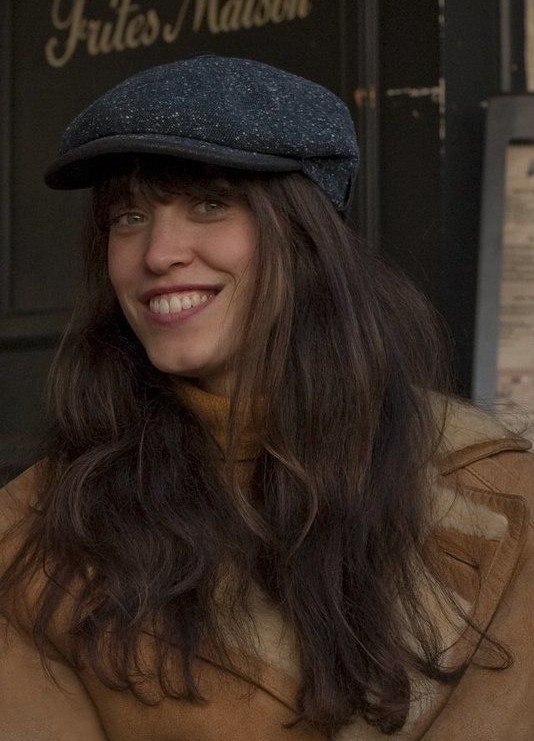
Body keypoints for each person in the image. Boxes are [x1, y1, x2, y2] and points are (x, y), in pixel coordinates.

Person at [0, 54, 533, 741]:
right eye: (127, 217)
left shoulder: (501, 499)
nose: (158, 251)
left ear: (304, 234)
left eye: (210, 202)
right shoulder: (36, 536)